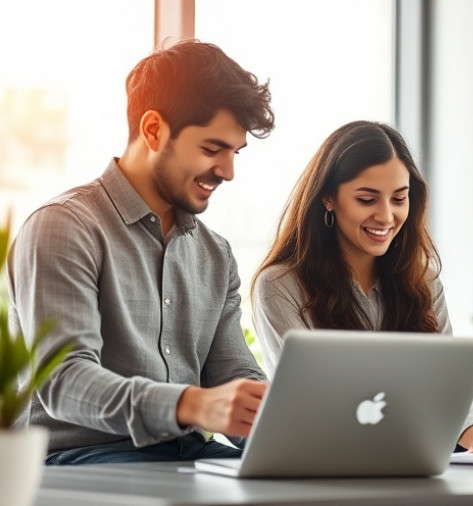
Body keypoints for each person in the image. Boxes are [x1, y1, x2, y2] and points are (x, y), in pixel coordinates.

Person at [7, 40, 275, 465]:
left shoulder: (215, 254)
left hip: (189, 455)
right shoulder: (63, 227)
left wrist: (290, 429)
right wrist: (191, 405)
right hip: (84, 458)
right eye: (211, 149)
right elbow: (64, 382)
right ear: (153, 130)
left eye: (234, 153)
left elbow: (234, 373)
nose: (227, 171)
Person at [251, 120, 473, 452]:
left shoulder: (423, 281)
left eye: (399, 199)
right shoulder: (280, 286)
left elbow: (445, 390)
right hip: (328, 459)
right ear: (328, 198)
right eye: (367, 199)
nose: (387, 216)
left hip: (415, 455)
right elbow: (310, 406)